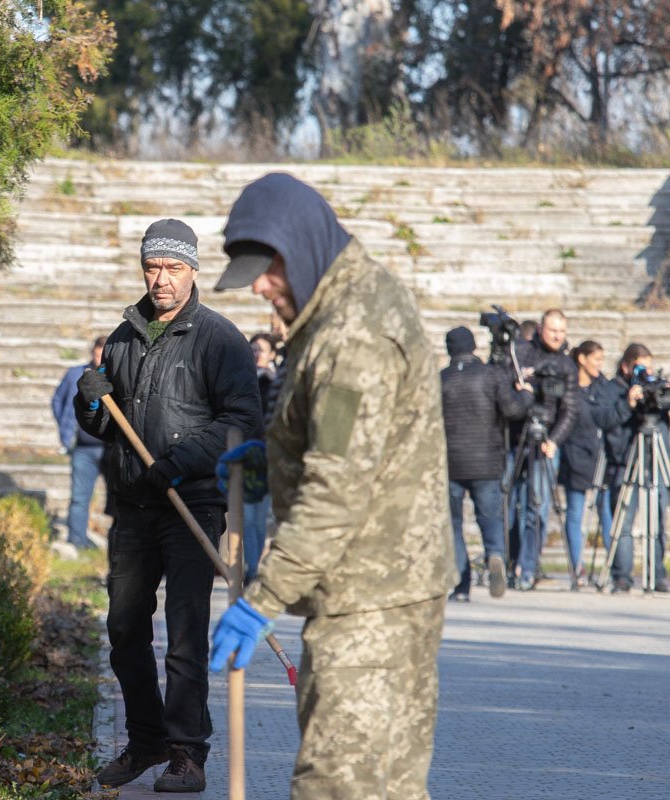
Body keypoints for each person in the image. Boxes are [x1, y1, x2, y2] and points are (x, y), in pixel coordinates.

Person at [208, 173, 456, 799]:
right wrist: (278, 456)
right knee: (385, 788)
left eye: (268, 267)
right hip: (382, 590)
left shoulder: (354, 334)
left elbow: (338, 489)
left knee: (339, 786)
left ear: (301, 243)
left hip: (370, 603)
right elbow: (343, 441)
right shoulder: (340, 307)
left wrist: (262, 599)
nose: (260, 287)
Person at [74, 218, 262, 792]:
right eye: (153, 267)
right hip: (133, 507)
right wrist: (92, 406)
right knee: (125, 628)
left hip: (192, 505)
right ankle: (146, 740)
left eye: (173, 268)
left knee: (185, 632)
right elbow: (112, 428)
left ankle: (188, 752)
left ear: (192, 271)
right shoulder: (125, 334)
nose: (161, 279)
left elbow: (243, 422)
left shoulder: (219, 339)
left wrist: (178, 461)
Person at [440, 326, 532, 602]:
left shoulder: (440, 380)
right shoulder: (490, 375)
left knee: (453, 525)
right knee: (489, 516)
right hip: (487, 460)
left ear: (449, 349)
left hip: (451, 461)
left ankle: (461, 585)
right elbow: (513, 410)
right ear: (473, 347)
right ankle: (495, 554)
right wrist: (525, 393)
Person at [595, 343, 670, 593]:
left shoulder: (657, 385)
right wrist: (627, 404)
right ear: (626, 366)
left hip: (656, 462)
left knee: (659, 519)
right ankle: (622, 577)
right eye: (641, 367)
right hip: (625, 461)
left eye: (649, 367)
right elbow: (605, 420)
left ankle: (657, 575)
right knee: (624, 522)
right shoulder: (612, 390)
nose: (646, 372)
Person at [506, 309, 580, 590]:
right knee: (510, 504)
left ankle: (527, 566)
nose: (558, 336)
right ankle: (508, 562)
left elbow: (570, 409)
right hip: (517, 436)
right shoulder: (522, 353)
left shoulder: (566, 365)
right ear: (540, 328)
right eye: (553, 331)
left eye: (562, 332)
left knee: (537, 506)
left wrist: (555, 440)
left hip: (547, 439)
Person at [556, 340, 612, 585]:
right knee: (575, 513)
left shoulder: (604, 386)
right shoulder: (568, 386)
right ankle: (576, 567)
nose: (600, 365)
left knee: (607, 512)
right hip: (574, 454)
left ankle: (614, 567)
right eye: (596, 359)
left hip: (601, 456)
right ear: (582, 359)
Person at [50, 335, 107, 550]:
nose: (98, 358)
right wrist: (66, 428)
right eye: (96, 353)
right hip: (82, 448)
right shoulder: (75, 374)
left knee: (119, 499)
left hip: (110, 449)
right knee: (79, 497)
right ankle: (77, 542)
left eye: (103, 354)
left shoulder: (118, 375)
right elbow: (57, 400)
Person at [244, 332, 279, 583]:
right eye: (253, 349)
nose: (257, 355)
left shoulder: (275, 382)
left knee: (266, 517)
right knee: (248, 517)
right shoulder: (243, 382)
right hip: (246, 455)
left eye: (262, 350)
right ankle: (252, 568)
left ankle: (264, 568)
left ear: (272, 355)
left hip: (270, 456)